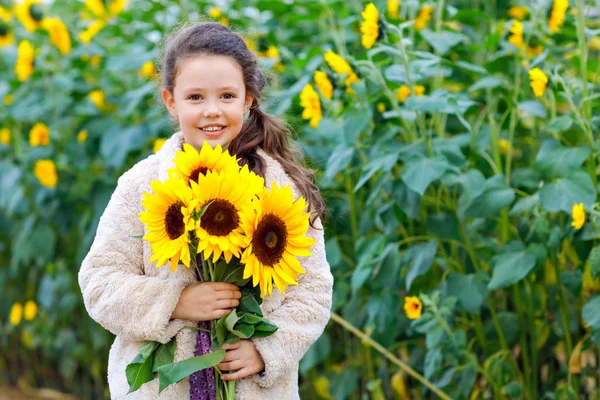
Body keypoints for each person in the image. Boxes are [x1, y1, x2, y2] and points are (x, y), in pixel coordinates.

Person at [78, 21, 333, 399]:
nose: (212, 111)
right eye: (195, 97)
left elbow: (312, 291)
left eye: (227, 96)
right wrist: (175, 301)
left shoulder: (278, 186)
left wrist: (268, 350)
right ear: (171, 100)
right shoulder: (144, 185)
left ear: (248, 99)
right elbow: (99, 282)